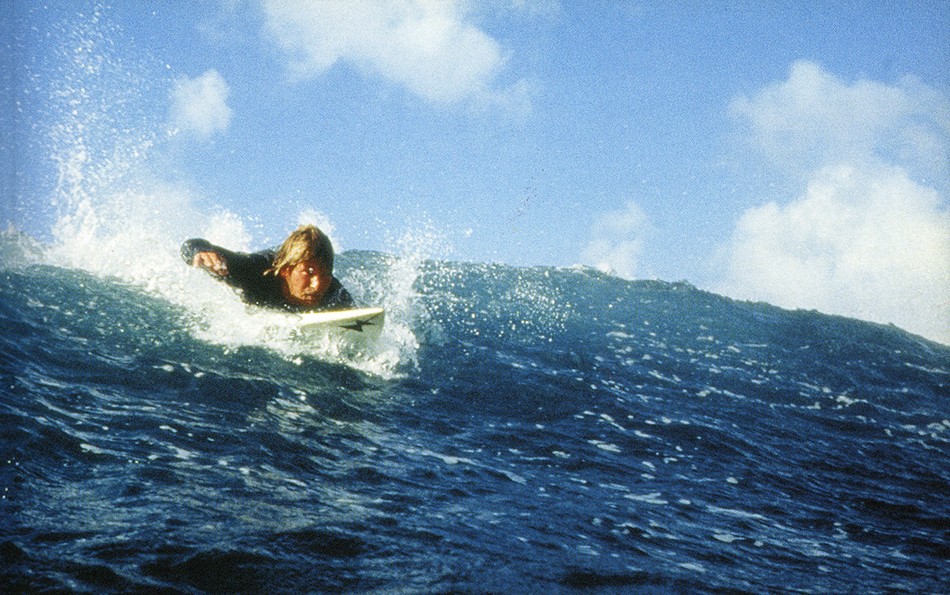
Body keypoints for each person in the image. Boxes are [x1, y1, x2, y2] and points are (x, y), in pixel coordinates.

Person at [181, 224, 353, 311]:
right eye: (308, 272)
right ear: (286, 269)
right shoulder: (253, 271)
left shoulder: (333, 291)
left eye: (325, 274)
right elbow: (190, 246)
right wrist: (201, 251)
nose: (318, 285)